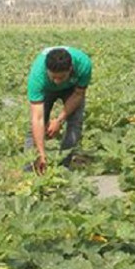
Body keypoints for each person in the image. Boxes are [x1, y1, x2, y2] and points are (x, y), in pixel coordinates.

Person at [25, 46, 92, 174]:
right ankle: (30, 168)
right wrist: (41, 153)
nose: (57, 81)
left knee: (75, 124)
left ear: (70, 69)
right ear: (47, 70)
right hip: (47, 90)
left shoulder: (83, 64)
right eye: (53, 77)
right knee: (34, 128)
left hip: (72, 89)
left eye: (61, 77)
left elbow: (78, 94)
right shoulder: (37, 76)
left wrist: (59, 120)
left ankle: (63, 168)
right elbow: (37, 118)